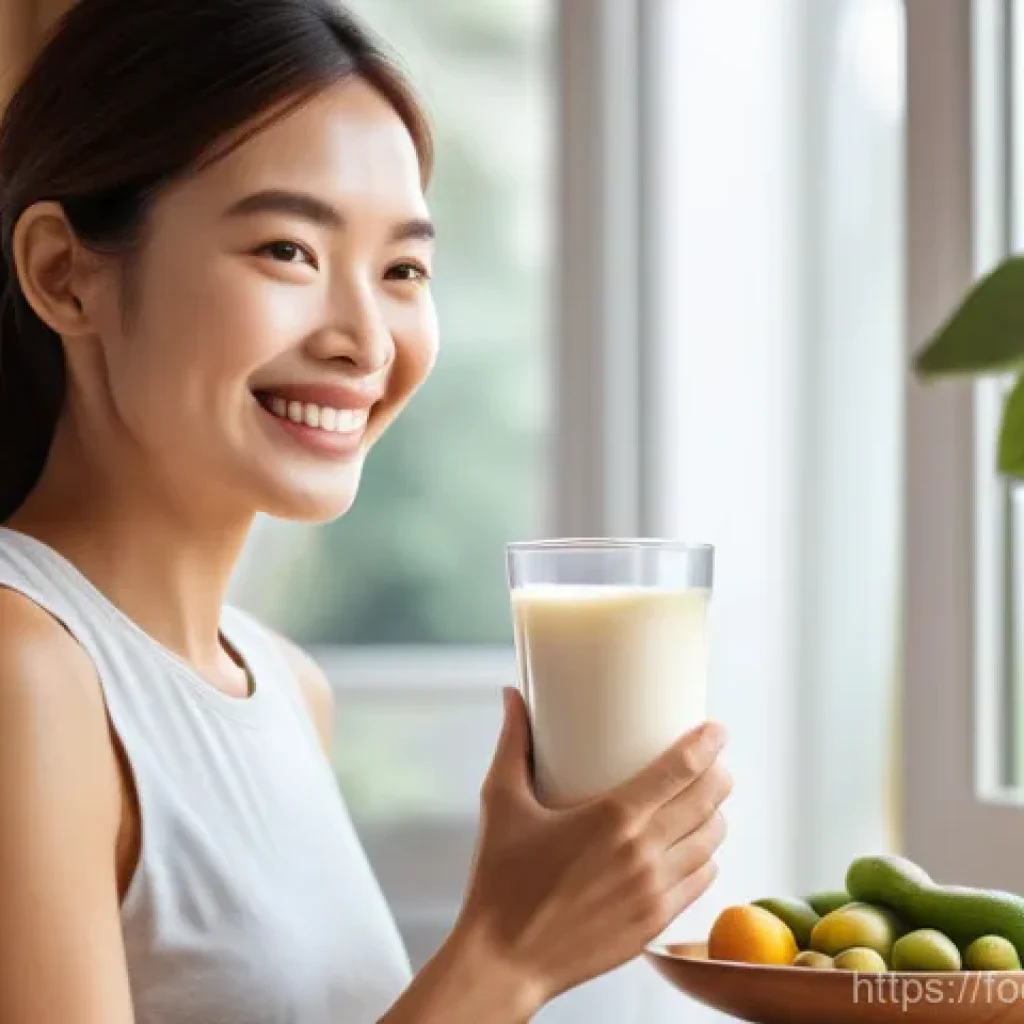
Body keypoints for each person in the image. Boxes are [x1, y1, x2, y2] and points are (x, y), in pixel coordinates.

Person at [0, 1, 733, 1022]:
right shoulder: (24, 669)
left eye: (402, 271)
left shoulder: (289, 690)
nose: (365, 340)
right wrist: (505, 959)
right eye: (288, 251)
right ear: (63, 274)